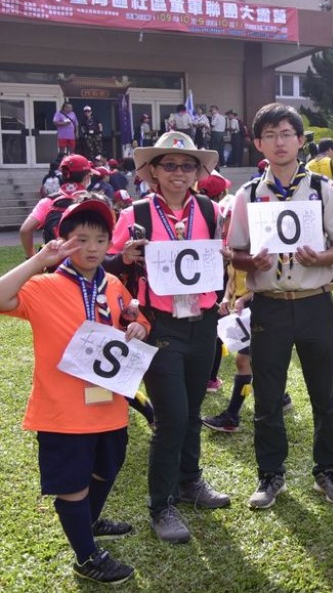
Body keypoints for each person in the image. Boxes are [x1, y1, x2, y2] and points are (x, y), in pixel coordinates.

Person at [0, 198, 150, 585]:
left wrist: (138, 326)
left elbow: (134, 316)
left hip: (109, 405)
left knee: (108, 467)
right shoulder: (43, 286)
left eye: (100, 239)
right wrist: (38, 261)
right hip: (63, 410)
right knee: (73, 484)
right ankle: (86, 557)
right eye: (81, 239)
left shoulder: (113, 284)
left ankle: (91, 521)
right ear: (61, 240)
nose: (92, 247)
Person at [227, 103, 333, 510]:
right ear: (258, 143)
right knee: (267, 395)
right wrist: (253, 263)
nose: (279, 142)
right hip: (270, 306)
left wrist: (322, 259)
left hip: (315, 303)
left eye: (286, 133)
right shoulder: (248, 194)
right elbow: (235, 252)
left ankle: (327, 470)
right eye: (270, 135)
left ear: (301, 141)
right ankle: (270, 475)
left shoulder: (322, 189)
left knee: (325, 393)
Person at [106, 131, 229, 544]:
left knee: (192, 409)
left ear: (198, 172)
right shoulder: (136, 212)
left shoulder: (210, 210)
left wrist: (225, 267)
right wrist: (122, 258)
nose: (179, 173)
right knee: (171, 416)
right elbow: (109, 268)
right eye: (170, 165)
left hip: (203, 320)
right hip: (159, 324)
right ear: (153, 170)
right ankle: (162, 504)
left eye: (187, 165)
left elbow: (219, 259)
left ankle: (190, 481)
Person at [20, 154, 95, 259]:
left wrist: (33, 259)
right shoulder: (94, 202)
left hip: (55, 265)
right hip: (86, 263)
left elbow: (25, 230)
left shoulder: (49, 201)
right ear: (87, 177)